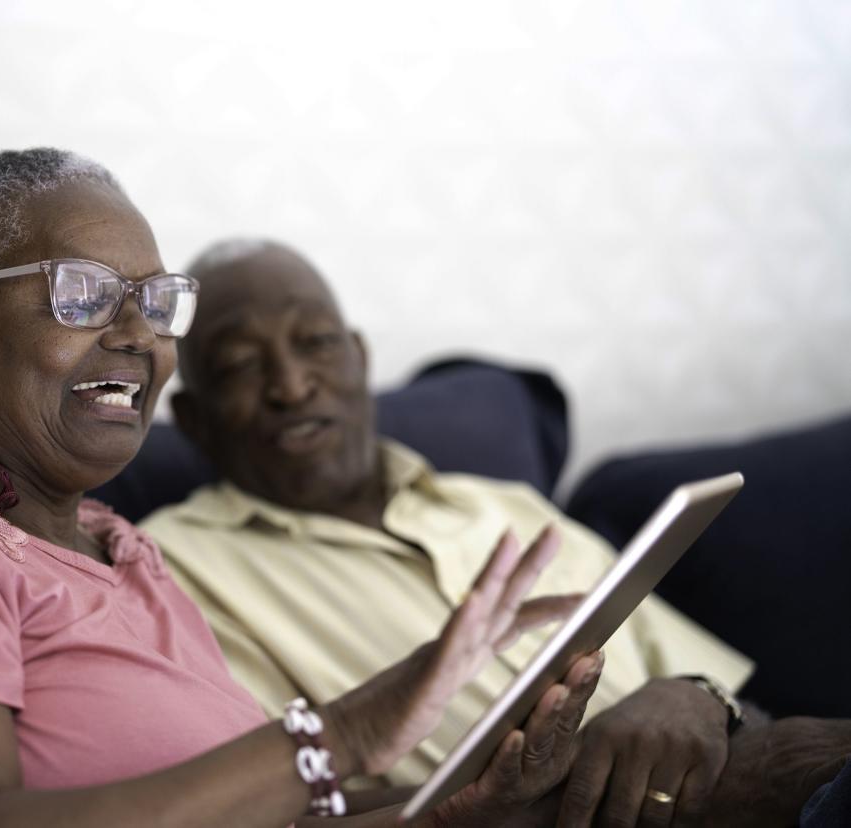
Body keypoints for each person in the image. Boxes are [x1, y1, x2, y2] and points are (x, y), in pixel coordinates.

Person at [0, 150, 605, 828]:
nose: (138, 335)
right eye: (82, 293)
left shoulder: (125, 554)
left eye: (155, 301)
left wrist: (470, 806)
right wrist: (341, 733)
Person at [142, 237, 851, 827]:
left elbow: (742, 699)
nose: (292, 385)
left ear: (359, 360)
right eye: (240, 364)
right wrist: (582, 783)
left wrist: (694, 694)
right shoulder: (173, 569)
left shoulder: (506, 505)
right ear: (197, 421)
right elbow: (263, 811)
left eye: (317, 343)